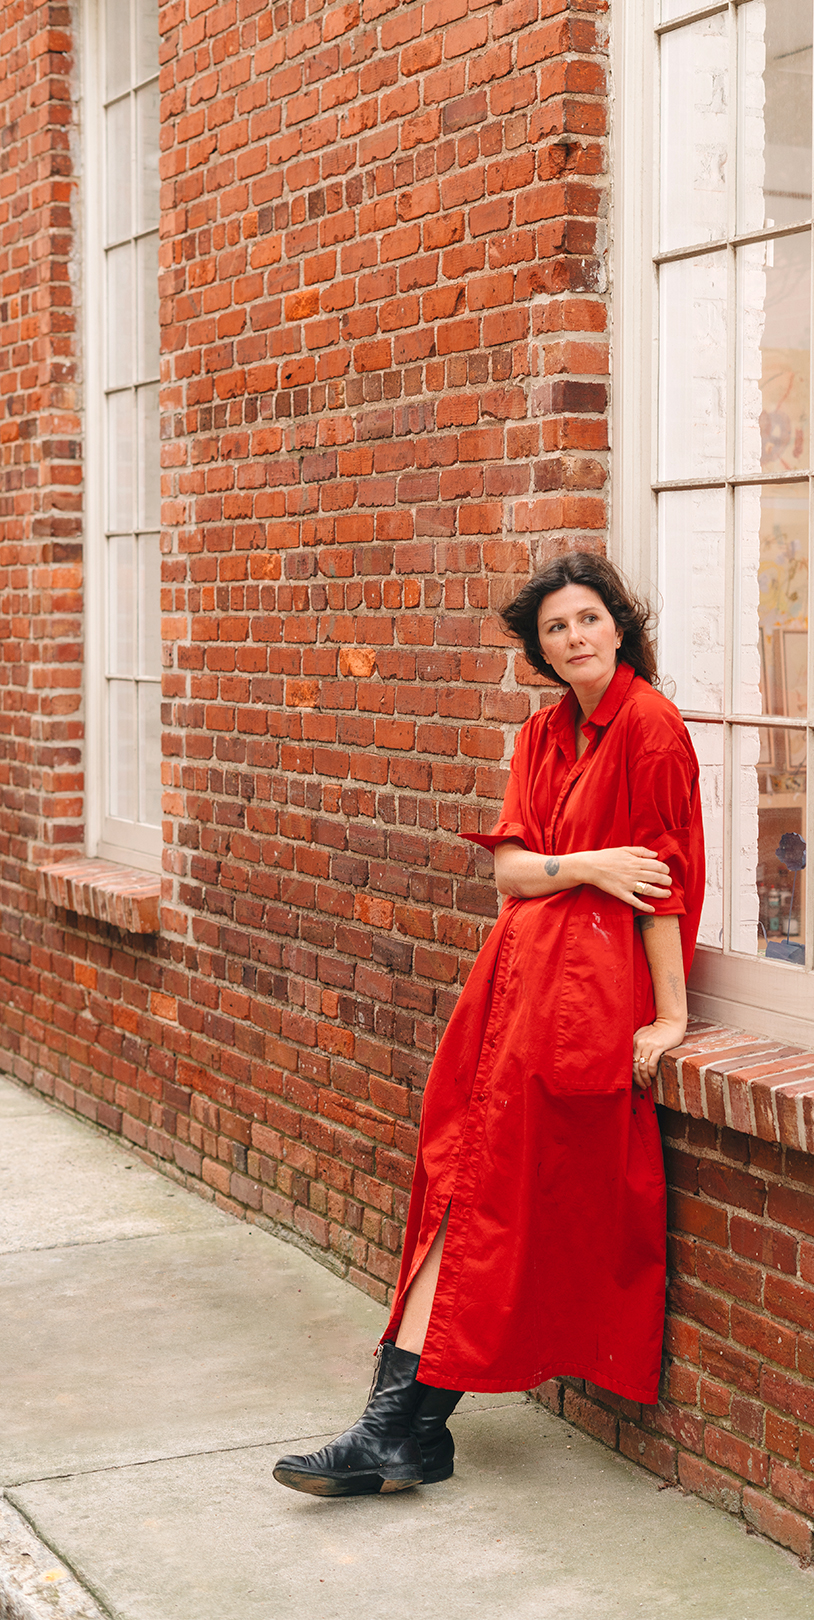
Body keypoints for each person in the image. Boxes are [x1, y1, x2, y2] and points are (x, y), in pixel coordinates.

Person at [273, 551, 705, 1497]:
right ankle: (405, 1434)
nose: (575, 638)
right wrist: (590, 864)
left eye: (589, 620)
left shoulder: (653, 730)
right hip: (510, 997)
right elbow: (509, 874)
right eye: (556, 629)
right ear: (541, 651)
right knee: (455, 1186)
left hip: (583, 1004)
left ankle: (399, 1431)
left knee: (483, 1203)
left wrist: (670, 1016)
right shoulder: (543, 735)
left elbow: (662, 883)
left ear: (620, 628)